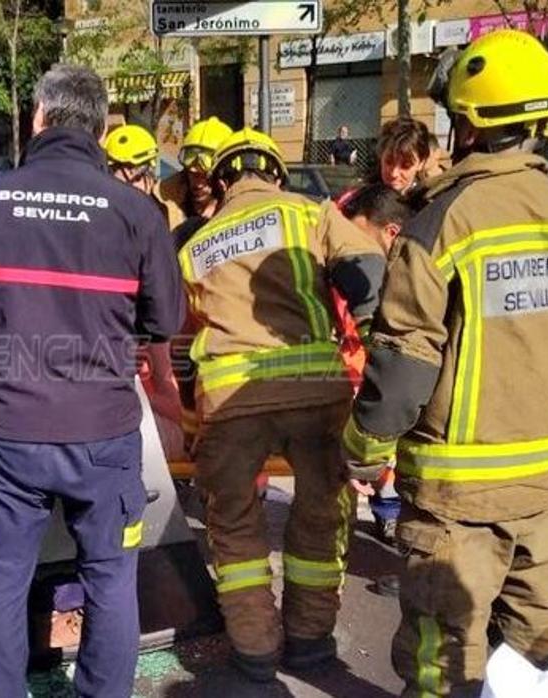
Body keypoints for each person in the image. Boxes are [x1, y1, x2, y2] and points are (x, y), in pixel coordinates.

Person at [339, 30, 548, 696]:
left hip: (455, 506)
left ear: (467, 123)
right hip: (546, 493)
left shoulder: (441, 226)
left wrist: (364, 449)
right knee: (543, 663)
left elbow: (402, 366)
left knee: (441, 664)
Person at [0, 64, 186, 698]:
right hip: (103, 434)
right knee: (110, 580)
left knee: (1, 581)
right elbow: (166, 319)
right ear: (101, 129)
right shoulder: (135, 212)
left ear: (37, 119)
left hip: (10, 433)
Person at [178, 127, 385, 681]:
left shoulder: (195, 242)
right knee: (320, 512)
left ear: (221, 182)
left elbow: (181, 328)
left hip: (229, 400)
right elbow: (366, 268)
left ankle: (255, 649)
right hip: (316, 393)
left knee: (235, 526)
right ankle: (310, 641)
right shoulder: (307, 212)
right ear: (275, 172)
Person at [337, 184, 418, 545]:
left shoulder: (405, 284)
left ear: (391, 233)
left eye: (357, 239)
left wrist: (365, 459)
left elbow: (395, 383)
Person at [104, 123, 186, 460]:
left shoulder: (154, 214)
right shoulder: (141, 214)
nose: (131, 183)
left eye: (137, 175)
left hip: (145, 343)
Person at [159, 116, 233, 246]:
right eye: (192, 175)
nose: (197, 184)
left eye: (205, 177)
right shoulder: (164, 202)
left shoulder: (238, 207)